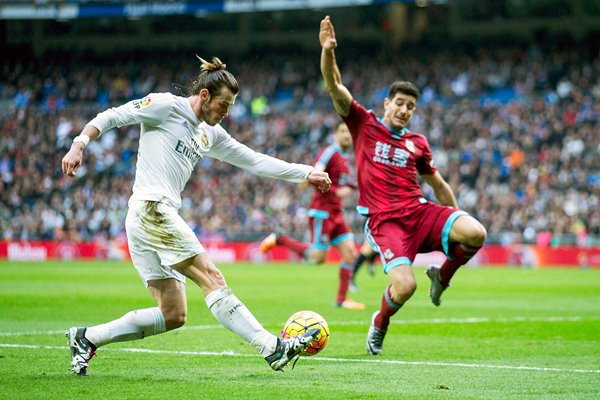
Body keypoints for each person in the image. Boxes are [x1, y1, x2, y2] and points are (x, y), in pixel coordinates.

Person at [61, 56, 332, 375]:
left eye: (230, 106)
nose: (227, 112)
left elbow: (253, 160)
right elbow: (112, 116)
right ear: (204, 96)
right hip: (152, 208)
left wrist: (306, 172)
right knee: (212, 277)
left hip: (148, 216)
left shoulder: (210, 134)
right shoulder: (165, 106)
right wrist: (79, 144)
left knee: (173, 313)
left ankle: (86, 337)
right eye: (224, 104)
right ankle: (271, 348)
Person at [319, 16, 487, 355]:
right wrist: (328, 52)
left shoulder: (417, 142)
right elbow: (334, 86)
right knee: (406, 285)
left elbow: (436, 182)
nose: (404, 110)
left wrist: (452, 213)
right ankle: (380, 323)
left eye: (410, 106)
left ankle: (442, 276)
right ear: (386, 104)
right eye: (399, 103)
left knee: (475, 232)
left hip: (420, 213)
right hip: (386, 222)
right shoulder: (363, 124)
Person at [259, 121, 364, 310]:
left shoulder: (346, 157)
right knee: (317, 258)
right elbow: (316, 172)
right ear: (336, 134)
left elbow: (345, 183)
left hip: (336, 213)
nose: (347, 135)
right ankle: (280, 238)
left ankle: (341, 300)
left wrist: (350, 188)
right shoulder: (330, 152)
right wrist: (331, 188)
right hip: (321, 212)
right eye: (342, 131)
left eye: (349, 131)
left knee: (350, 255)